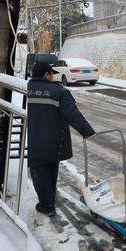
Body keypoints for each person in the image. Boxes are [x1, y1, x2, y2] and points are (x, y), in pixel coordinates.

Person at [28, 61, 95, 217]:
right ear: (46, 74)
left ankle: (47, 203)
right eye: (51, 74)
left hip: (34, 140)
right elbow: (72, 113)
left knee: (39, 170)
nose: (52, 77)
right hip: (54, 140)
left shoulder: (26, 88)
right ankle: (48, 201)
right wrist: (87, 130)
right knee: (51, 165)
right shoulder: (59, 91)